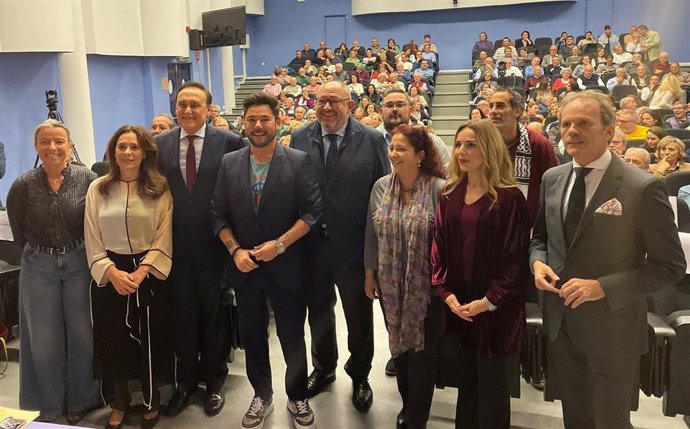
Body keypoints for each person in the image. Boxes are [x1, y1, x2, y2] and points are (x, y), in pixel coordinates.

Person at [529, 90, 685, 429]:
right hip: (562, 325)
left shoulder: (641, 187)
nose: (572, 131)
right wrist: (537, 262)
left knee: (610, 422)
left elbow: (670, 265)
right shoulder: (552, 179)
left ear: (610, 129)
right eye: (566, 123)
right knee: (575, 418)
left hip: (612, 332)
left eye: (584, 123)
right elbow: (541, 238)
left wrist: (603, 287)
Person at [211, 93, 323, 429]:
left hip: (286, 267)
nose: (258, 126)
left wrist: (280, 245)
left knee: (291, 335)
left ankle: (297, 395)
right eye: (251, 120)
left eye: (265, 119)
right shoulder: (230, 163)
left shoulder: (298, 160)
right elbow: (218, 215)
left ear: (278, 121)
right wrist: (235, 251)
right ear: (243, 123)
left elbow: (313, 212)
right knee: (252, 334)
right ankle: (262, 394)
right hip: (245, 269)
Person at [290, 81, 390, 412]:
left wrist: (375, 255)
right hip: (312, 245)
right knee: (318, 312)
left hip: (354, 247)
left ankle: (360, 375)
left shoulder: (373, 139)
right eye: (321, 101)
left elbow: (383, 196)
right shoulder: (300, 137)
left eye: (334, 101)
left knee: (358, 315)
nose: (326, 107)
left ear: (349, 104)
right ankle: (324, 369)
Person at [432, 119, 530, 428]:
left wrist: (488, 301)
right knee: (466, 384)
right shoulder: (449, 194)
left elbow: (515, 260)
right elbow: (439, 249)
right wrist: (446, 294)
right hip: (459, 305)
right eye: (459, 144)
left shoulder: (510, 198)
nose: (461, 151)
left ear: (489, 148)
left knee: (492, 387)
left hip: (495, 310)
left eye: (471, 144)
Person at [155, 82, 244, 417]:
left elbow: (236, 194)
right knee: (182, 318)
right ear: (175, 109)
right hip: (173, 249)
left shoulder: (231, 142)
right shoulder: (159, 144)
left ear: (209, 109)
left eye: (195, 105)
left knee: (214, 318)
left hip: (216, 248)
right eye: (182, 105)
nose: (188, 111)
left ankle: (215, 381)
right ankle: (185, 382)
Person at [6, 119, 100, 423]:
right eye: (45, 141)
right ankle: (48, 406)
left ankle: (81, 400)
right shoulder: (22, 185)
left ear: (69, 144)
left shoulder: (87, 178)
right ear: (36, 147)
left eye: (59, 140)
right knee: (43, 340)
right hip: (39, 266)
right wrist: (41, 255)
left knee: (83, 334)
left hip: (78, 262)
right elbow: (18, 232)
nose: (53, 147)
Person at [85, 125, 173, 429]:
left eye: (134, 147)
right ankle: (119, 401)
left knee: (147, 341)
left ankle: (151, 400)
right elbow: (92, 235)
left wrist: (142, 270)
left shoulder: (159, 188)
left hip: (146, 270)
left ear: (145, 152)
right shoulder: (98, 188)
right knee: (112, 341)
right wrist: (111, 271)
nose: (127, 152)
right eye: (122, 147)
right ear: (113, 151)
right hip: (110, 271)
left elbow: (163, 234)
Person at [364, 124, 445, 428]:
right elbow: (372, 234)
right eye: (392, 148)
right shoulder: (381, 187)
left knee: (423, 354)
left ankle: (417, 416)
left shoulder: (439, 188)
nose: (394, 154)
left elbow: (446, 241)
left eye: (402, 149)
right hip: (390, 285)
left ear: (420, 155)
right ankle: (408, 403)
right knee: (399, 348)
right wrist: (369, 274)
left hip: (428, 290)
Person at [488, 88, 559, 223]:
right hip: (489, 222)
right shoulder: (482, 143)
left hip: (528, 225)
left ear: (518, 111)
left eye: (500, 106)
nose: (493, 111)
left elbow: (553, 186)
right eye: (491, 106)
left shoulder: (538, 143)